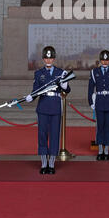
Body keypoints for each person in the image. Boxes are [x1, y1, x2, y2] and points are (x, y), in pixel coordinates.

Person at [26, 46, 70, 175]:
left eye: (50, 58)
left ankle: (51, 164)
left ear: (54, 58)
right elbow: (36, 90)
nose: (48, 60)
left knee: (55, 135)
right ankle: (43, 163)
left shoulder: (61, 73)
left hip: (56, 106)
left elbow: (67, 90)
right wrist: (31, 97)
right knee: (42, 135)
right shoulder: (38, 73)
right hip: (43, 106)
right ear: (43, 59)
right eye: (46, 57)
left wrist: (65, 86)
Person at [88, 50, 109, 160]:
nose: (105, 62)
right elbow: (90, 88)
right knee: (100, 126)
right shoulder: (94, 72)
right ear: (100, 60)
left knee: (108, 126)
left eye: (107, 60)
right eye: (103, 60)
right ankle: (100, 150)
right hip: (100, 101)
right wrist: (91, 102)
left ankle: (106, 150)